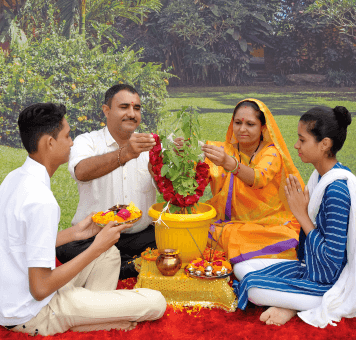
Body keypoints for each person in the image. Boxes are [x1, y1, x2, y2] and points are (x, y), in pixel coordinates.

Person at [0, 102, 166, 336]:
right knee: (156, 302)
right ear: (49, 143)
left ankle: (90, 314)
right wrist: (96, 247)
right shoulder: (41, 200)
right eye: (67, 136)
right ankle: (86, 317)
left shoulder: (14, 178)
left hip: (17, 299)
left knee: (111, 254)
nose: (71, 142)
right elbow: (40, 288)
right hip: (36, 312)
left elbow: (18, 245)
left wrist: (77, 232)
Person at [234, 105, 355, 328]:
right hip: (310, 269)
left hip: (330, 285)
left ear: (325, 144)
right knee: (242, 268)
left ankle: (293, 305)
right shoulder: (319, 178)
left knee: (253, 288)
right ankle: (290, 300)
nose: (296, 145)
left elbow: (331, 267)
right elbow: (304, 253)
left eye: (302, 140)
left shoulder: (336, 190)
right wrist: (304, 213)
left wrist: (303, 217)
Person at [56, 84, 158, 278]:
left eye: (136, 108)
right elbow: (81, 171)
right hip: (94, 237)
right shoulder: (87, 141)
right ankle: (131, 266)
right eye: (124, 107)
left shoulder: (148, 144)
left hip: (140, 237)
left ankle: (117, 266)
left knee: (167, 241)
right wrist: (125, 154)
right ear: (106, 110)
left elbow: (166, 190)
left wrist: (168, 168)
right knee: (65, 249)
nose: (132, 113)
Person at [201, 98, 304, 272]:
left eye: (250, 124)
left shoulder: (271, 153)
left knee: (283, 237)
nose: (242, 129)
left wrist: (230, 164)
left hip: (266, 225)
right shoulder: (224, 151)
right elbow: (196, 178)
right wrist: (185, 152)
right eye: (238, 122)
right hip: (228, 223)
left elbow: (258, 178)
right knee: (201, 230)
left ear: (263, 127)